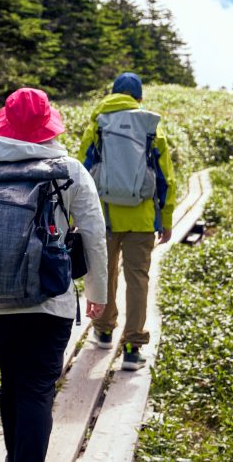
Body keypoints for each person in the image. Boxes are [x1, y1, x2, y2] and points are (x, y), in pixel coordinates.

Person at [0, 88, 108, 462]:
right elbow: (95, 235)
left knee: (12, 380)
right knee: (36, 387)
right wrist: (98, 291)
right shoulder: (69, 171)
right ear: (49, 127)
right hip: (51, 300)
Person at [77, 72, 174, 371]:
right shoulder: (150, 127)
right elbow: (164, 178)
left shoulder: (98, 124)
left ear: (113, 93)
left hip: (103, 217)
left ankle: (104, 330)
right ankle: (133, 347)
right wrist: (166, 219)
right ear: (139, 98)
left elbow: (82, 171)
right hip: (142, 218)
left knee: (104, 274)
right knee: (138, 280)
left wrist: (75, 216)